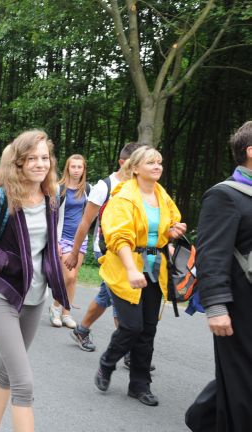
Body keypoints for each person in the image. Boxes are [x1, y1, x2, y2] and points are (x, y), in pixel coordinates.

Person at [0, 130, 69, 432]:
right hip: (2, 293)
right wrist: (3, 260)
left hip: (35, 296)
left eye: (45, 157)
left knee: (6, 373)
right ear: (18, 162)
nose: (40, 164)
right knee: (24, 383)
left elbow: (45, 245)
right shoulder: (1, 197)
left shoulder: (52, 197)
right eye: (32, 158)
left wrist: (56, 265)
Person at [93, 145, 186, 406]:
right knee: (132, 326)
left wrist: (174, 231)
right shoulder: (123, 197)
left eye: (159, 162)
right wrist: (132, 269)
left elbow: (168, 226)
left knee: (148, 329)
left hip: (156, 269)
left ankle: (139, 385)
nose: (157, 167)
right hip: (125, 269)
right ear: (135, 168)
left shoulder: (162, 194)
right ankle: (107, 362)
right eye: (150, 163)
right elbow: (118, 237)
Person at [186, 121, 252, 431]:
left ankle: (201, 419)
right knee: (243, 378)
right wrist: (216, 306)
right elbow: (212, 254)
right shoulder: (224, 195)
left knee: (238, 374)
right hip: (239, 305)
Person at [67, 142, 143, 352]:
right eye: (137, 162)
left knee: (106, 294)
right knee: (121, 296)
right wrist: (74, 252)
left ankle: (82, 329)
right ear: (123, 163)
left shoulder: (140, 188)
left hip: (131, 251)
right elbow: (85, 222)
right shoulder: (104, 187)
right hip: (107, 249)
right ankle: (128, 350)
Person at [49, 154, 89, 329]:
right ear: (68, 168)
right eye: (73, 167)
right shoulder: (59, 189)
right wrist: (55, 241)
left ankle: (66, 313)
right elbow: (52, 216)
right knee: (68, 275)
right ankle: (55, 307)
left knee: (73, 279)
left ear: (83, 170)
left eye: (80, 167)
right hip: (62, 238)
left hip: (80, 239)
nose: (76, 170)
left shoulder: (88, 189)